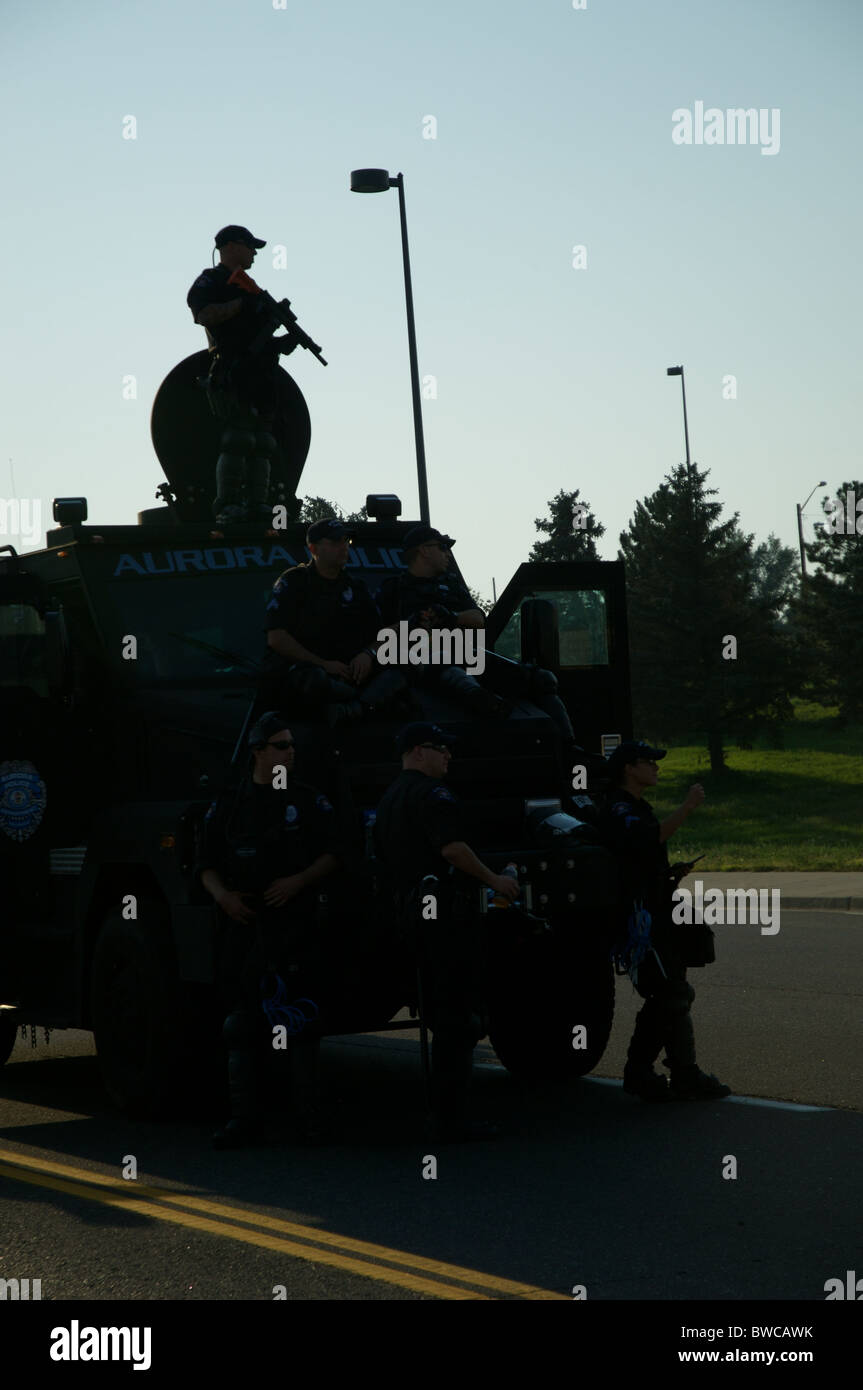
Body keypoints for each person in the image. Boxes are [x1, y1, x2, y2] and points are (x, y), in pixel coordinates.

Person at [197, 712, 339, 1147]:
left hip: (293, 927)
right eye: (281, 745)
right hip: (244, 927)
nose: (290, 752)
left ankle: (308, 1121)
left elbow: (337, 854)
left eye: (292, 744)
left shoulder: (309, 801)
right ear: (257, 751)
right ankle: (244, 1120)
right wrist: (223, 897)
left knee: (302, 1024)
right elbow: (206, 865)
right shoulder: (229, 804)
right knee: (240, 1026)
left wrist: (299, 881)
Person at [373, 722, 519, 1141]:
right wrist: (496, 879)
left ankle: (443, 1114)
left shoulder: (389, 797)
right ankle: (451, 1118)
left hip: (410, 917)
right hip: (444, 923)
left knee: (441, 1013)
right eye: (441, 749)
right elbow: (452, 848)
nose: (448, 757)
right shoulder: (432, 794)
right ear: (418, 752)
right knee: (457, 1020)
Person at [600, 739, 730, 1102]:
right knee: (669, 992)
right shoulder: (619, 808)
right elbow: (648, 839)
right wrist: (687, 807)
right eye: (649, 762)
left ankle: (683, 1072)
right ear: (629, 767)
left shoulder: (638, 805)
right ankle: (640, 1071)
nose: (656, 768)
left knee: (674, 987)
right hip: (640, 915)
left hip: (659, 905)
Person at [377, 525, 575, 743]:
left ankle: (568, 750)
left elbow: (479, 619)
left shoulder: (450, 585)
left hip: (467, 655)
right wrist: (412, 624)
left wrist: (452, 617)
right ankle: (484, 701)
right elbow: (380, 637)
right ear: (424, 550)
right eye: (442, 548)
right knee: (445, 669)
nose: (447, 554)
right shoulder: (393, 589)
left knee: (542, 680)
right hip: (423, 662)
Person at [187, 224, 298, 525]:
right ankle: (228, 504)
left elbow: (259, 335)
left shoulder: (252, 288)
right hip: (231, 369)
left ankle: (258, 503)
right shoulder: (212, 281)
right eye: (250, 247)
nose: (254, 254)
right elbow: (203, 315)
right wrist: (241, 303)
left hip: (260, 374)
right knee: (237, 439)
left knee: (263, 442)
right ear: (232, 246)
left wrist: (281, 343)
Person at [262, 517, 407, 726]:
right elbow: (276, 638)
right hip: (312, 681)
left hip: (352, 676)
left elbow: (383, 634)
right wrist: (324, 665)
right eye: (335, 542)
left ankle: (354, 709)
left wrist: (368, 654)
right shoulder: (294, 581)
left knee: (406, 661)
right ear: (313, 548)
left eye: (345, 541)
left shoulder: (356, 587)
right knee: (310, 679)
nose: (343, 547)